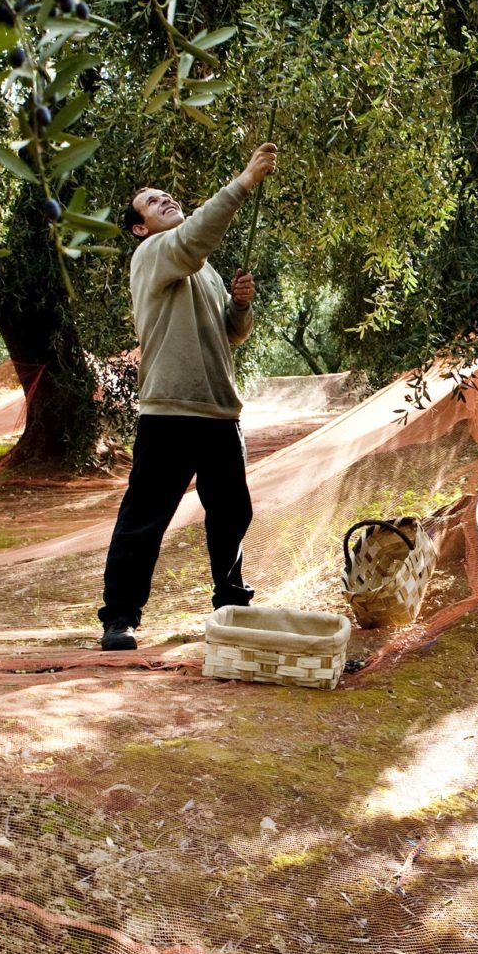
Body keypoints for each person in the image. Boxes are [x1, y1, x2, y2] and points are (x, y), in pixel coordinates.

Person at [98, 142, 277, 651]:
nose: (165, 200)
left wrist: (240, 307)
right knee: (145, 518)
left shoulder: (205, 269)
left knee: (231, 513)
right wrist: (244, 182)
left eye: (166, 195)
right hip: (169, 413)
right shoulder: (153, 255)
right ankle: (120, 617)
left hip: (220, 414)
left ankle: (230, 603)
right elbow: (197, 233)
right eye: (152, 202)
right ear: (139, 228)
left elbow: (231, 334)